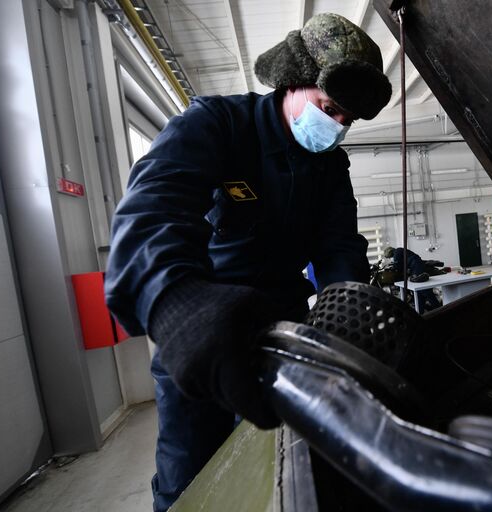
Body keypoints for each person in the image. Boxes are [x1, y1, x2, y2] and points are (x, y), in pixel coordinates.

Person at [104, 13, 391, 512]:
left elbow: (338, 248)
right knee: (186, 477)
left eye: (348, 120)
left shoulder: (330, 167)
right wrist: (175, 302)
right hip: (203, 333)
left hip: (282, 333)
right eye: (330, 108)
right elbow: (155, 204)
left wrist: (346, 320)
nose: (338, 126)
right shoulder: (216, 125)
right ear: (292, 83)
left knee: (275, 467)